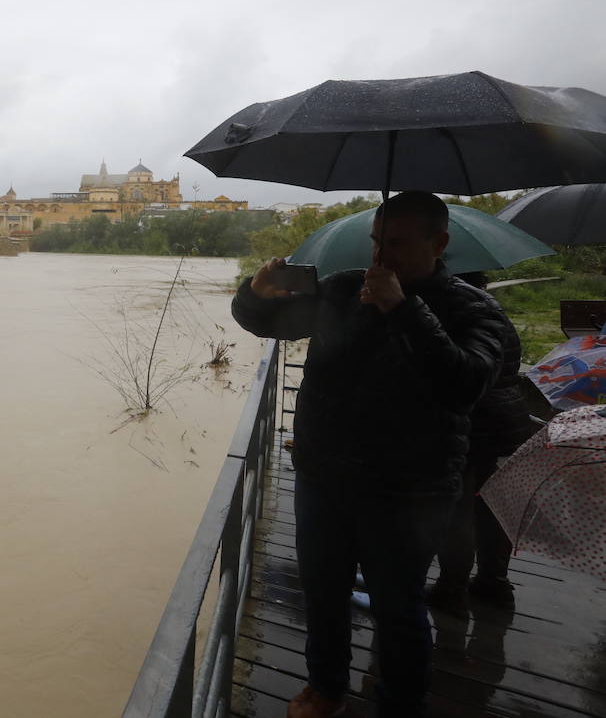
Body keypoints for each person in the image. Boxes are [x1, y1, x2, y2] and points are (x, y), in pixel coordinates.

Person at [232, 191, 508, 718]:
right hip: (323, 473)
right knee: (323, 591)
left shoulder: (473, 309)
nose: (383, 257)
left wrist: (403, 310)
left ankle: (399, 704)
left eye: (399, 245)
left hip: (408, 488)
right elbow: (272, 324)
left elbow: (464, 383)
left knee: (398, 606)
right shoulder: (343, 289)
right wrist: (256, 294)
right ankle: (326, 687)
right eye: (378, 242)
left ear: (439, 243)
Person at [427, 271, 549, 616]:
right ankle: (494, 582)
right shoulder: (498, 314)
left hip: (473, 424)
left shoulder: (458, 316)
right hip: (509, 423)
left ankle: (452, 586)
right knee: (493, 506)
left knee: (459, 510)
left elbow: (456, 374)